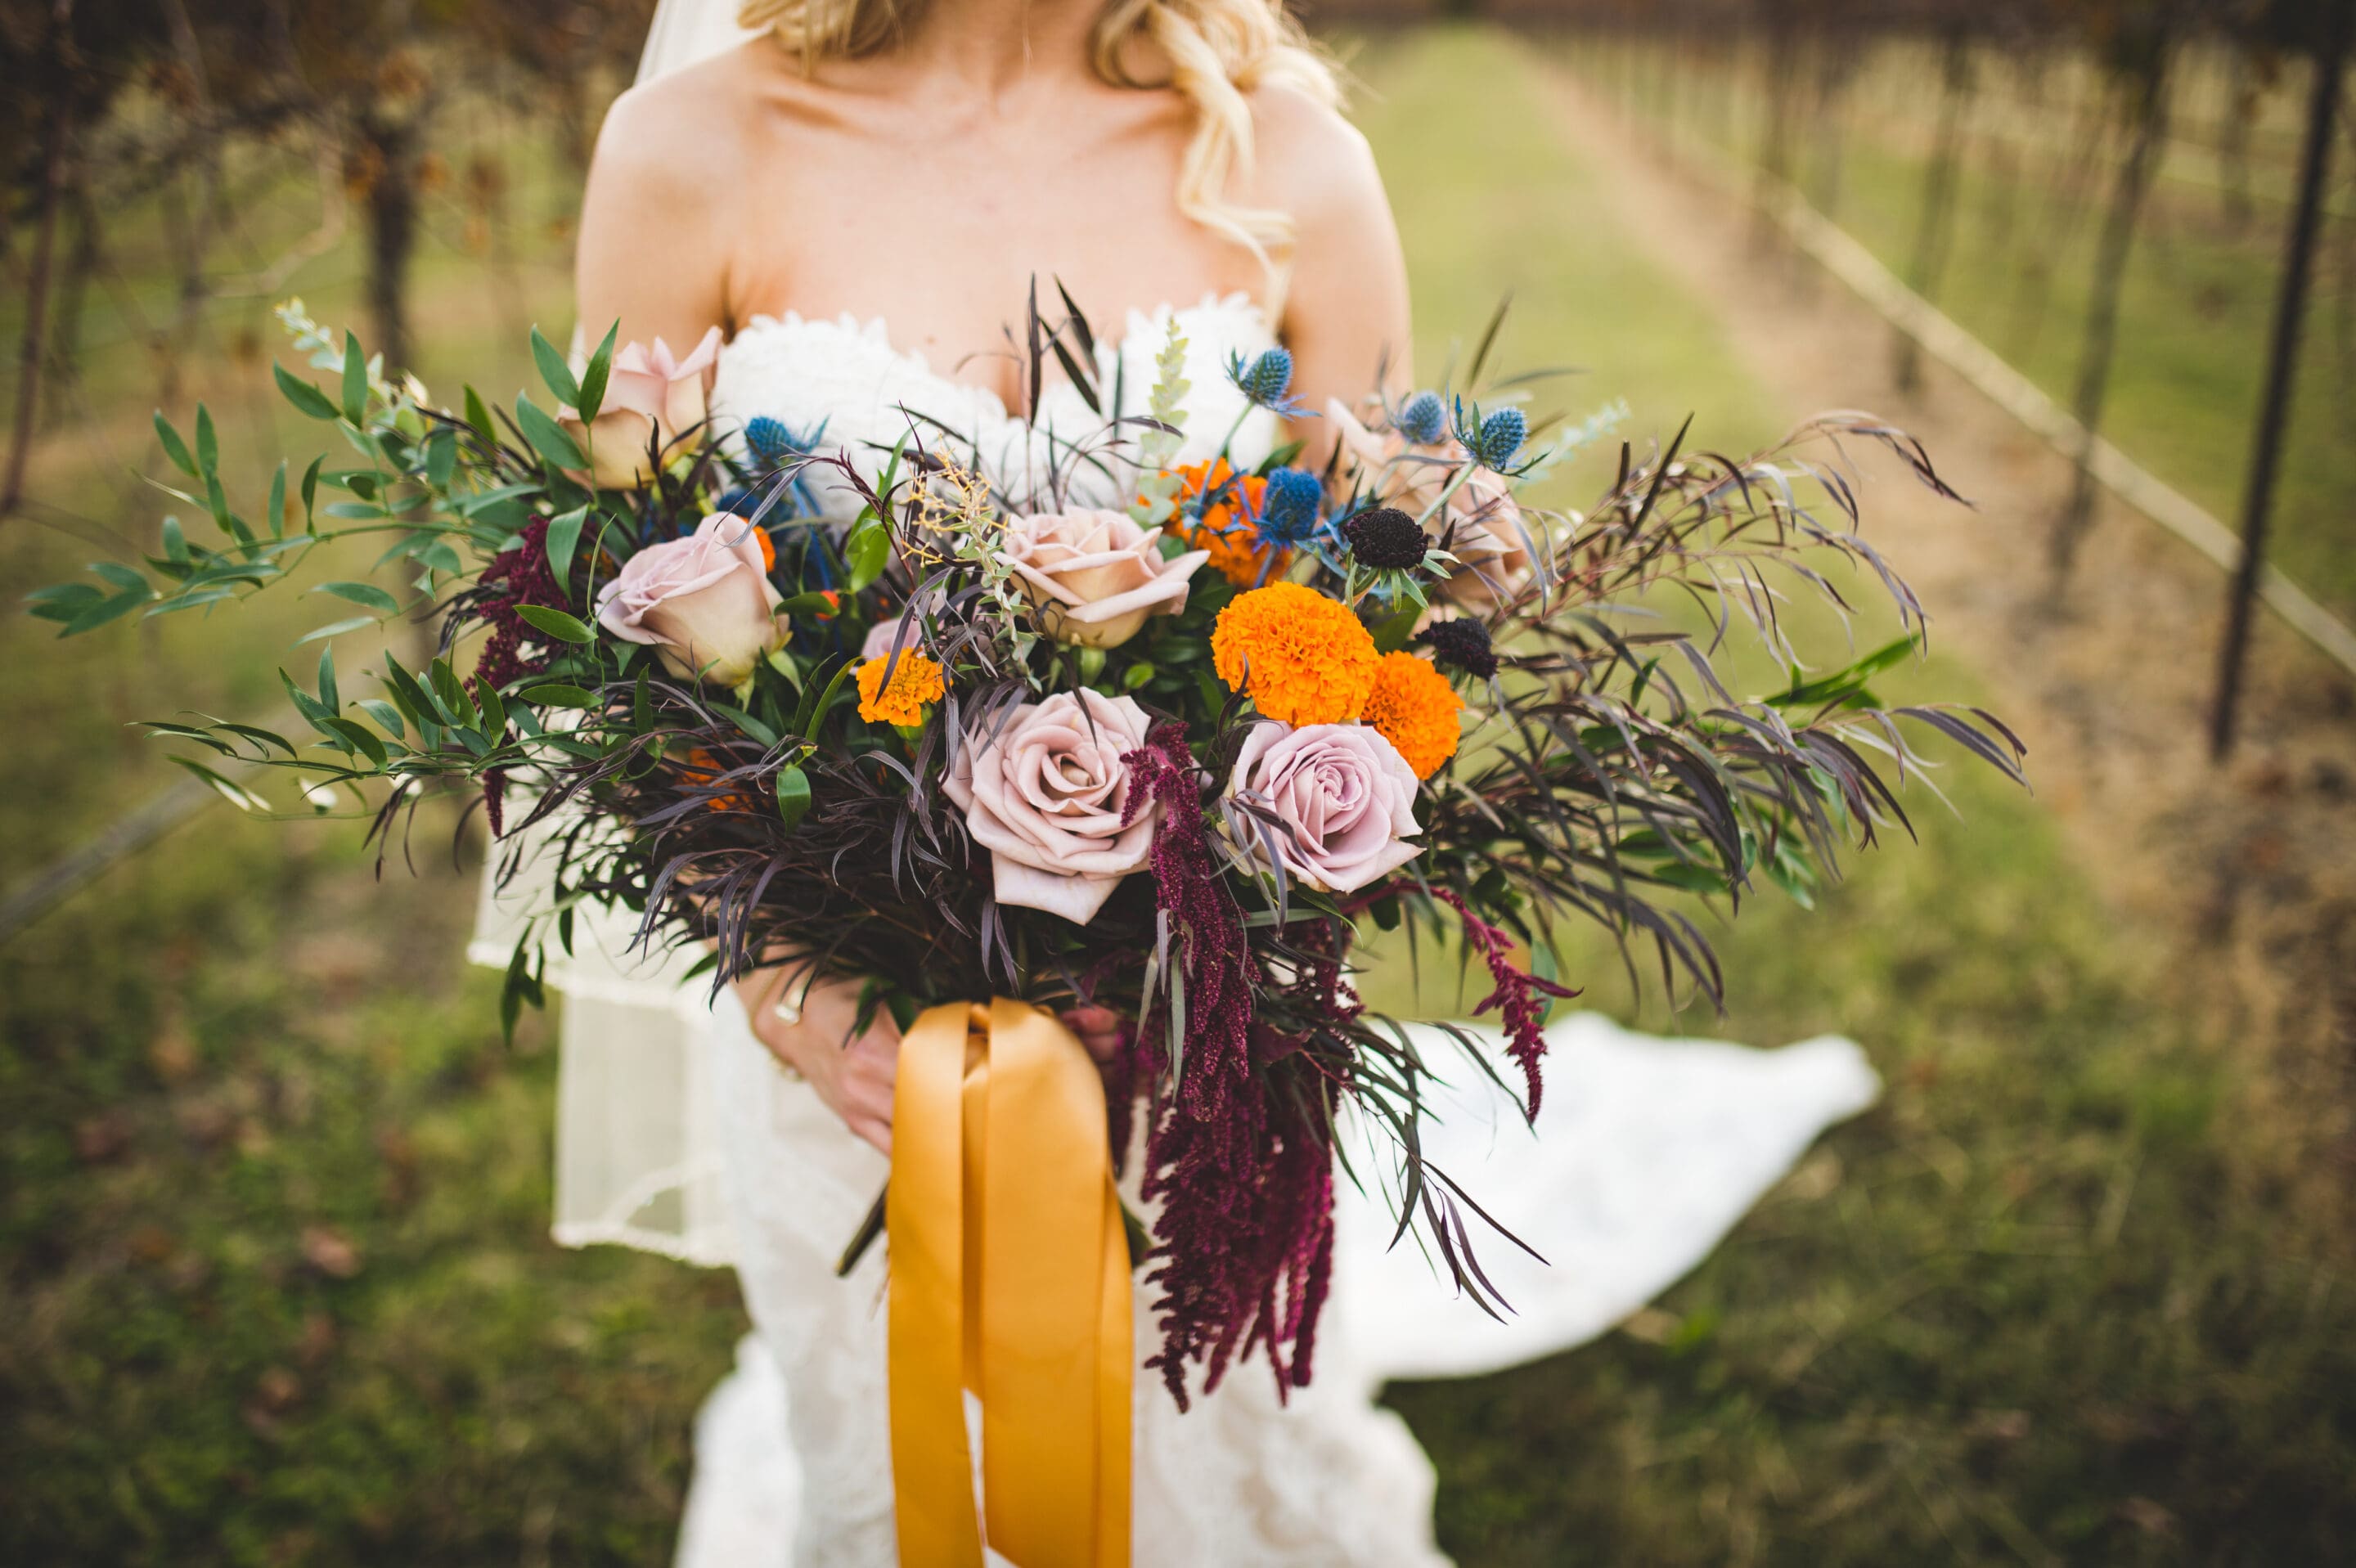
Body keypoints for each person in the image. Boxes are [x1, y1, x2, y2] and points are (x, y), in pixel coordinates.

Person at [527, 4, 1884, 1561]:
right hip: (845, 1077)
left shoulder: (1292, 162)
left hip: (1196, 1058)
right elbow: (619, 650)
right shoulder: (692, 146)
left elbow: (1370, 655)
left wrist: (1218, 974)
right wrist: (800, 1003)